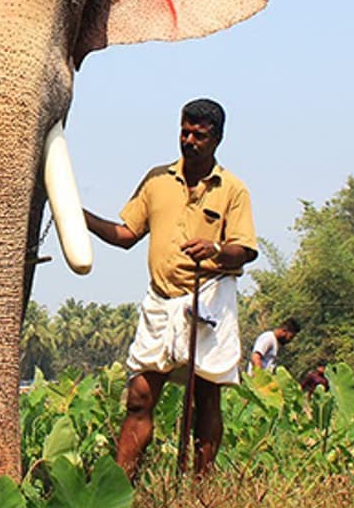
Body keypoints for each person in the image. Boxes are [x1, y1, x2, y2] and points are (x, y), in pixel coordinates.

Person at [83, 98, 257, 479]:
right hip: (161, 300)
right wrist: (77, 217)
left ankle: (200, 487)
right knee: (140, 395)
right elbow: (127, 234)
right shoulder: (157, 180)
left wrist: (214, 249)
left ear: (217, 139)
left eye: (199, 135)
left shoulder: (232, 189)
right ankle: (119, 488)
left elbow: (244, 251)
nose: (189, 140)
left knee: (206, 397)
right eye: (184, 131)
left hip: (208, 296)